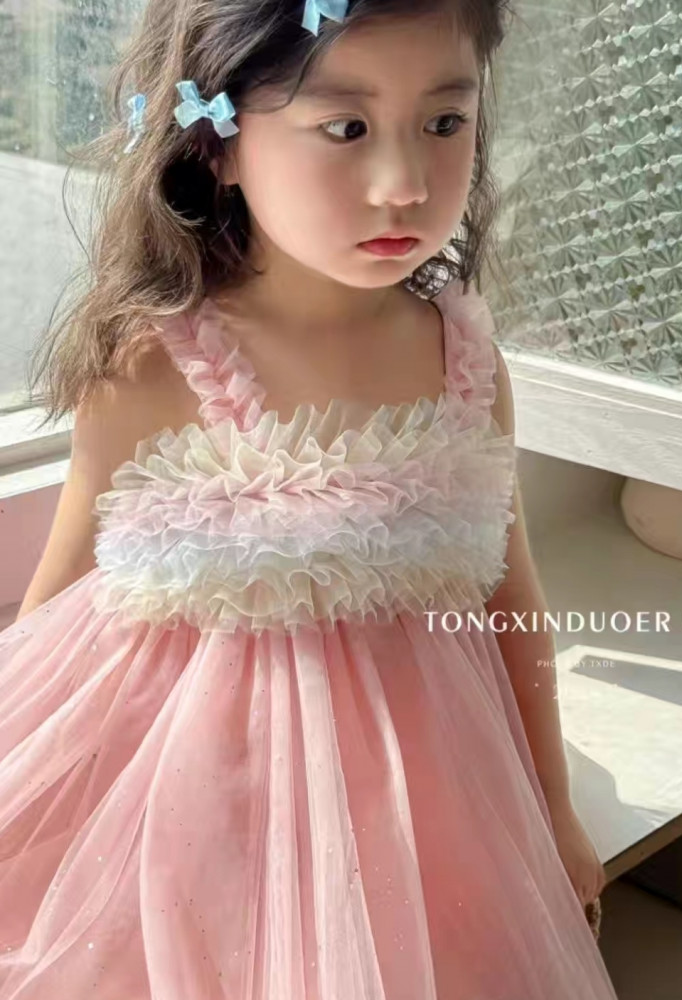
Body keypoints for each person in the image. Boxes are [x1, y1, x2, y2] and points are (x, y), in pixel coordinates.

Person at [0, 0, 619, 997]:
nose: (405, 183)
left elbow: (509, 594)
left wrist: (552, 804)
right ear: (219, 145)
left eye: (445, 121)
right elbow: (63, 591)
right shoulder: (152, 369)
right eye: (346, 126)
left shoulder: (465, 359)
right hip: (198, 815)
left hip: (420, 816)